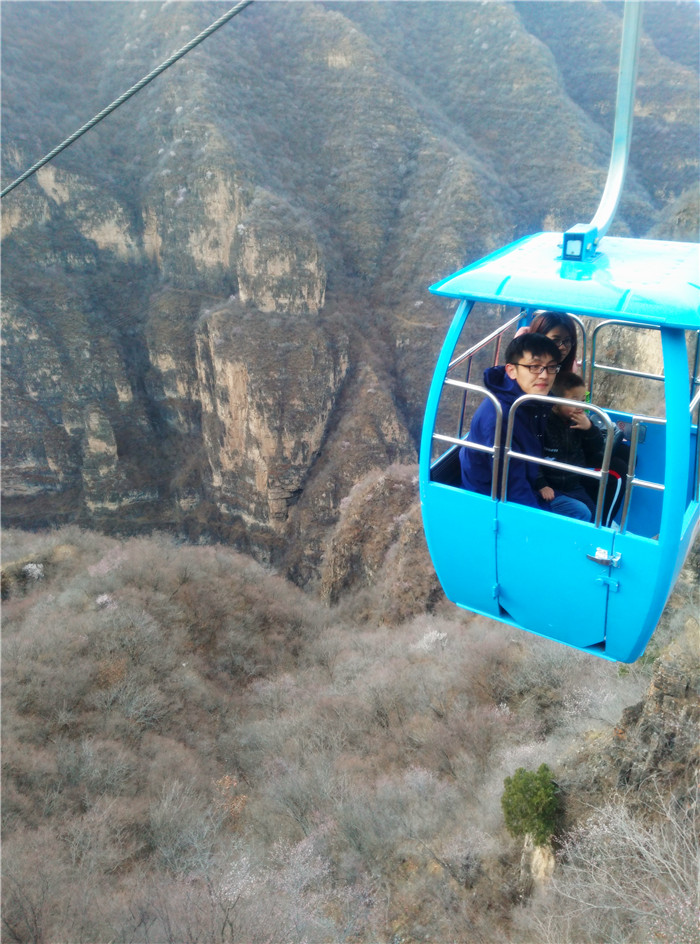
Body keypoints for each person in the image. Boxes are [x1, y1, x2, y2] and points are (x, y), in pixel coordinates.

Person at [459, 334, 592, 520]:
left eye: (551, 367)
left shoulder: (532, 402)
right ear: (511, 370)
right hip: (493, 502)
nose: (544, 375)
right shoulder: (501, 416)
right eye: (534, 367)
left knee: (582, 510)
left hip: (528, 485)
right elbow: (510, 487)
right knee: (580, 516)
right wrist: (537, 521)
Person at [540, 371, 627, 526]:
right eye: (574, 401)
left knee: (593, 514)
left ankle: (600, 531)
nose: (581, 406)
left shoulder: (578, 422)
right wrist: (541, 484)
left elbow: (596, 448)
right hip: (551, 483)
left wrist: (589, 429)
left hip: (573, 484)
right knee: (615, 474)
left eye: (583, 400)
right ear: (554, 405)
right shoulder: (545, 425)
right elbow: (534, 457)